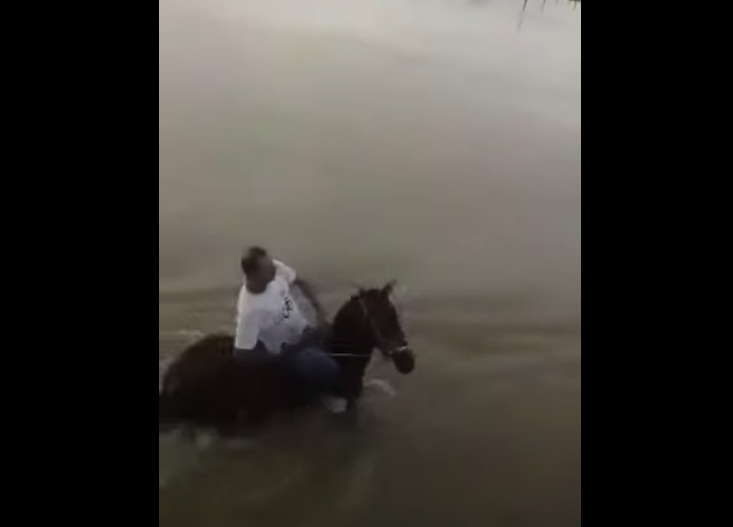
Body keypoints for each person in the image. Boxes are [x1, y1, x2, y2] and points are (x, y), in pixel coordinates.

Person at [234, 246, 342, 398]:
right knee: (329, 369)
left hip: (304, 330)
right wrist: (284, 355)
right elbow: (242, 354)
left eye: (271, 264)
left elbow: (300, 282)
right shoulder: (249, 310)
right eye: (267, 268)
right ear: (253, 275)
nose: (273, 269)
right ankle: (322, 397)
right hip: (286, 350)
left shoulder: (275, 270)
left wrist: (320, 312)